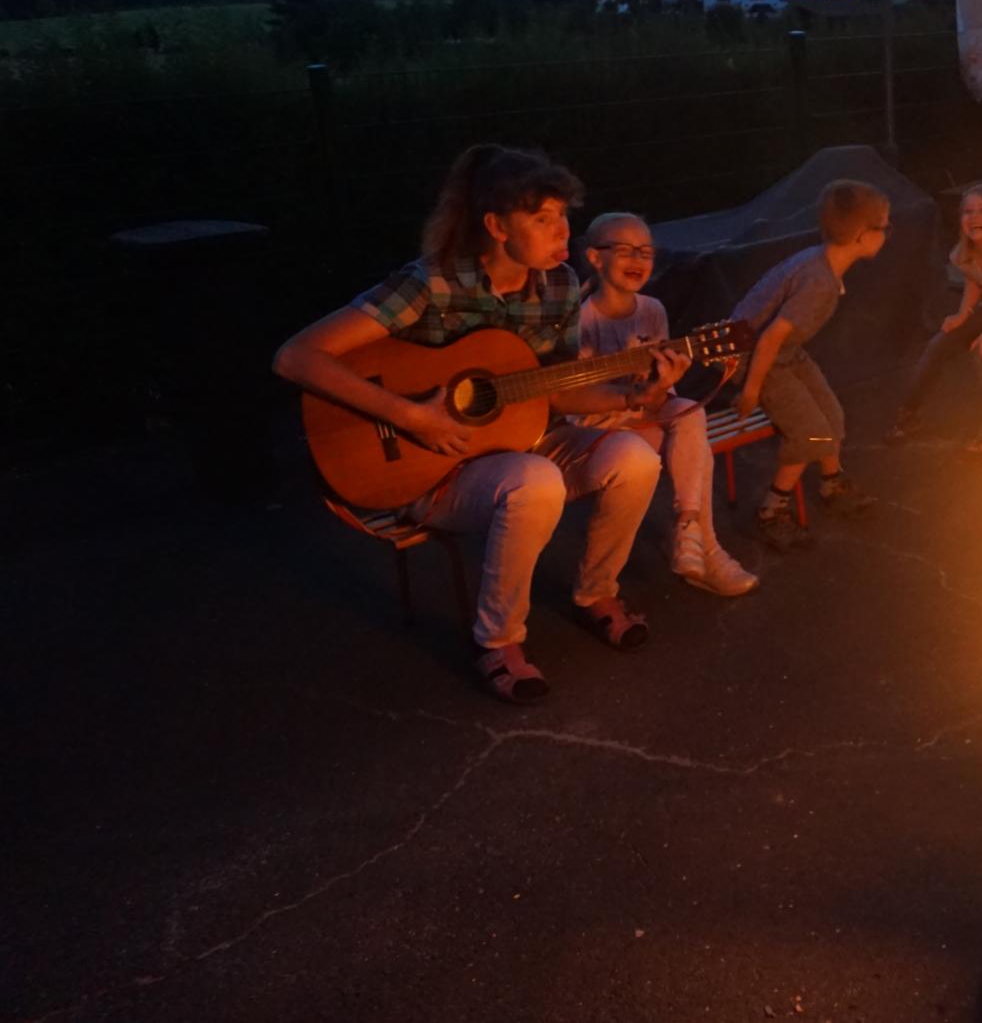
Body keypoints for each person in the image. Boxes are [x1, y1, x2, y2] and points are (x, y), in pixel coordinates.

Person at [274, 145, 678, 703]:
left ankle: (596, 594)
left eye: (564, 216)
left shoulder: (559, 286)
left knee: (636, 457)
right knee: (533, 480)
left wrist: (638, 391)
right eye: (543, 219)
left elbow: (558, 392)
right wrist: (411, 414)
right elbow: (296, 356)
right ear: (495, 225)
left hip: (520, 443)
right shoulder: (432, 285)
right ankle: (499, 642)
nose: (564, 231)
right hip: (431, 466)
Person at [571, 211, 759, 598]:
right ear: (594, 257)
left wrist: (663, 383)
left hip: (644, 414)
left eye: (646, 252)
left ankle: (689, 529)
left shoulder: (652, 310)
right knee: (695, 449)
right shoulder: (576, 319)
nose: (638, 261)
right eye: (625, 251)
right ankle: (705, 549)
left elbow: (661, 397)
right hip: (596, 427)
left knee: (689, 411)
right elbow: (573, 400)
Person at [729, 179, 890, 551]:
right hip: (759, 361)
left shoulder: (821, 262)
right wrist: (751, 390)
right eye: (884, 226)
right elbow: (768, 338)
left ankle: (831, 482)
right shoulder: (819, 282)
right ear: (863, 236)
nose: (888, 233)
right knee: (811, 433)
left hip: (786, 354)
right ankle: (770, 512)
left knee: (832, 417)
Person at [885, 183, 982, 454]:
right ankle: (909, 412)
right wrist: (963, 314)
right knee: (940, 342)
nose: (974, 217)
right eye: (968, 211)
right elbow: (975, 281)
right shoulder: (964, 253)